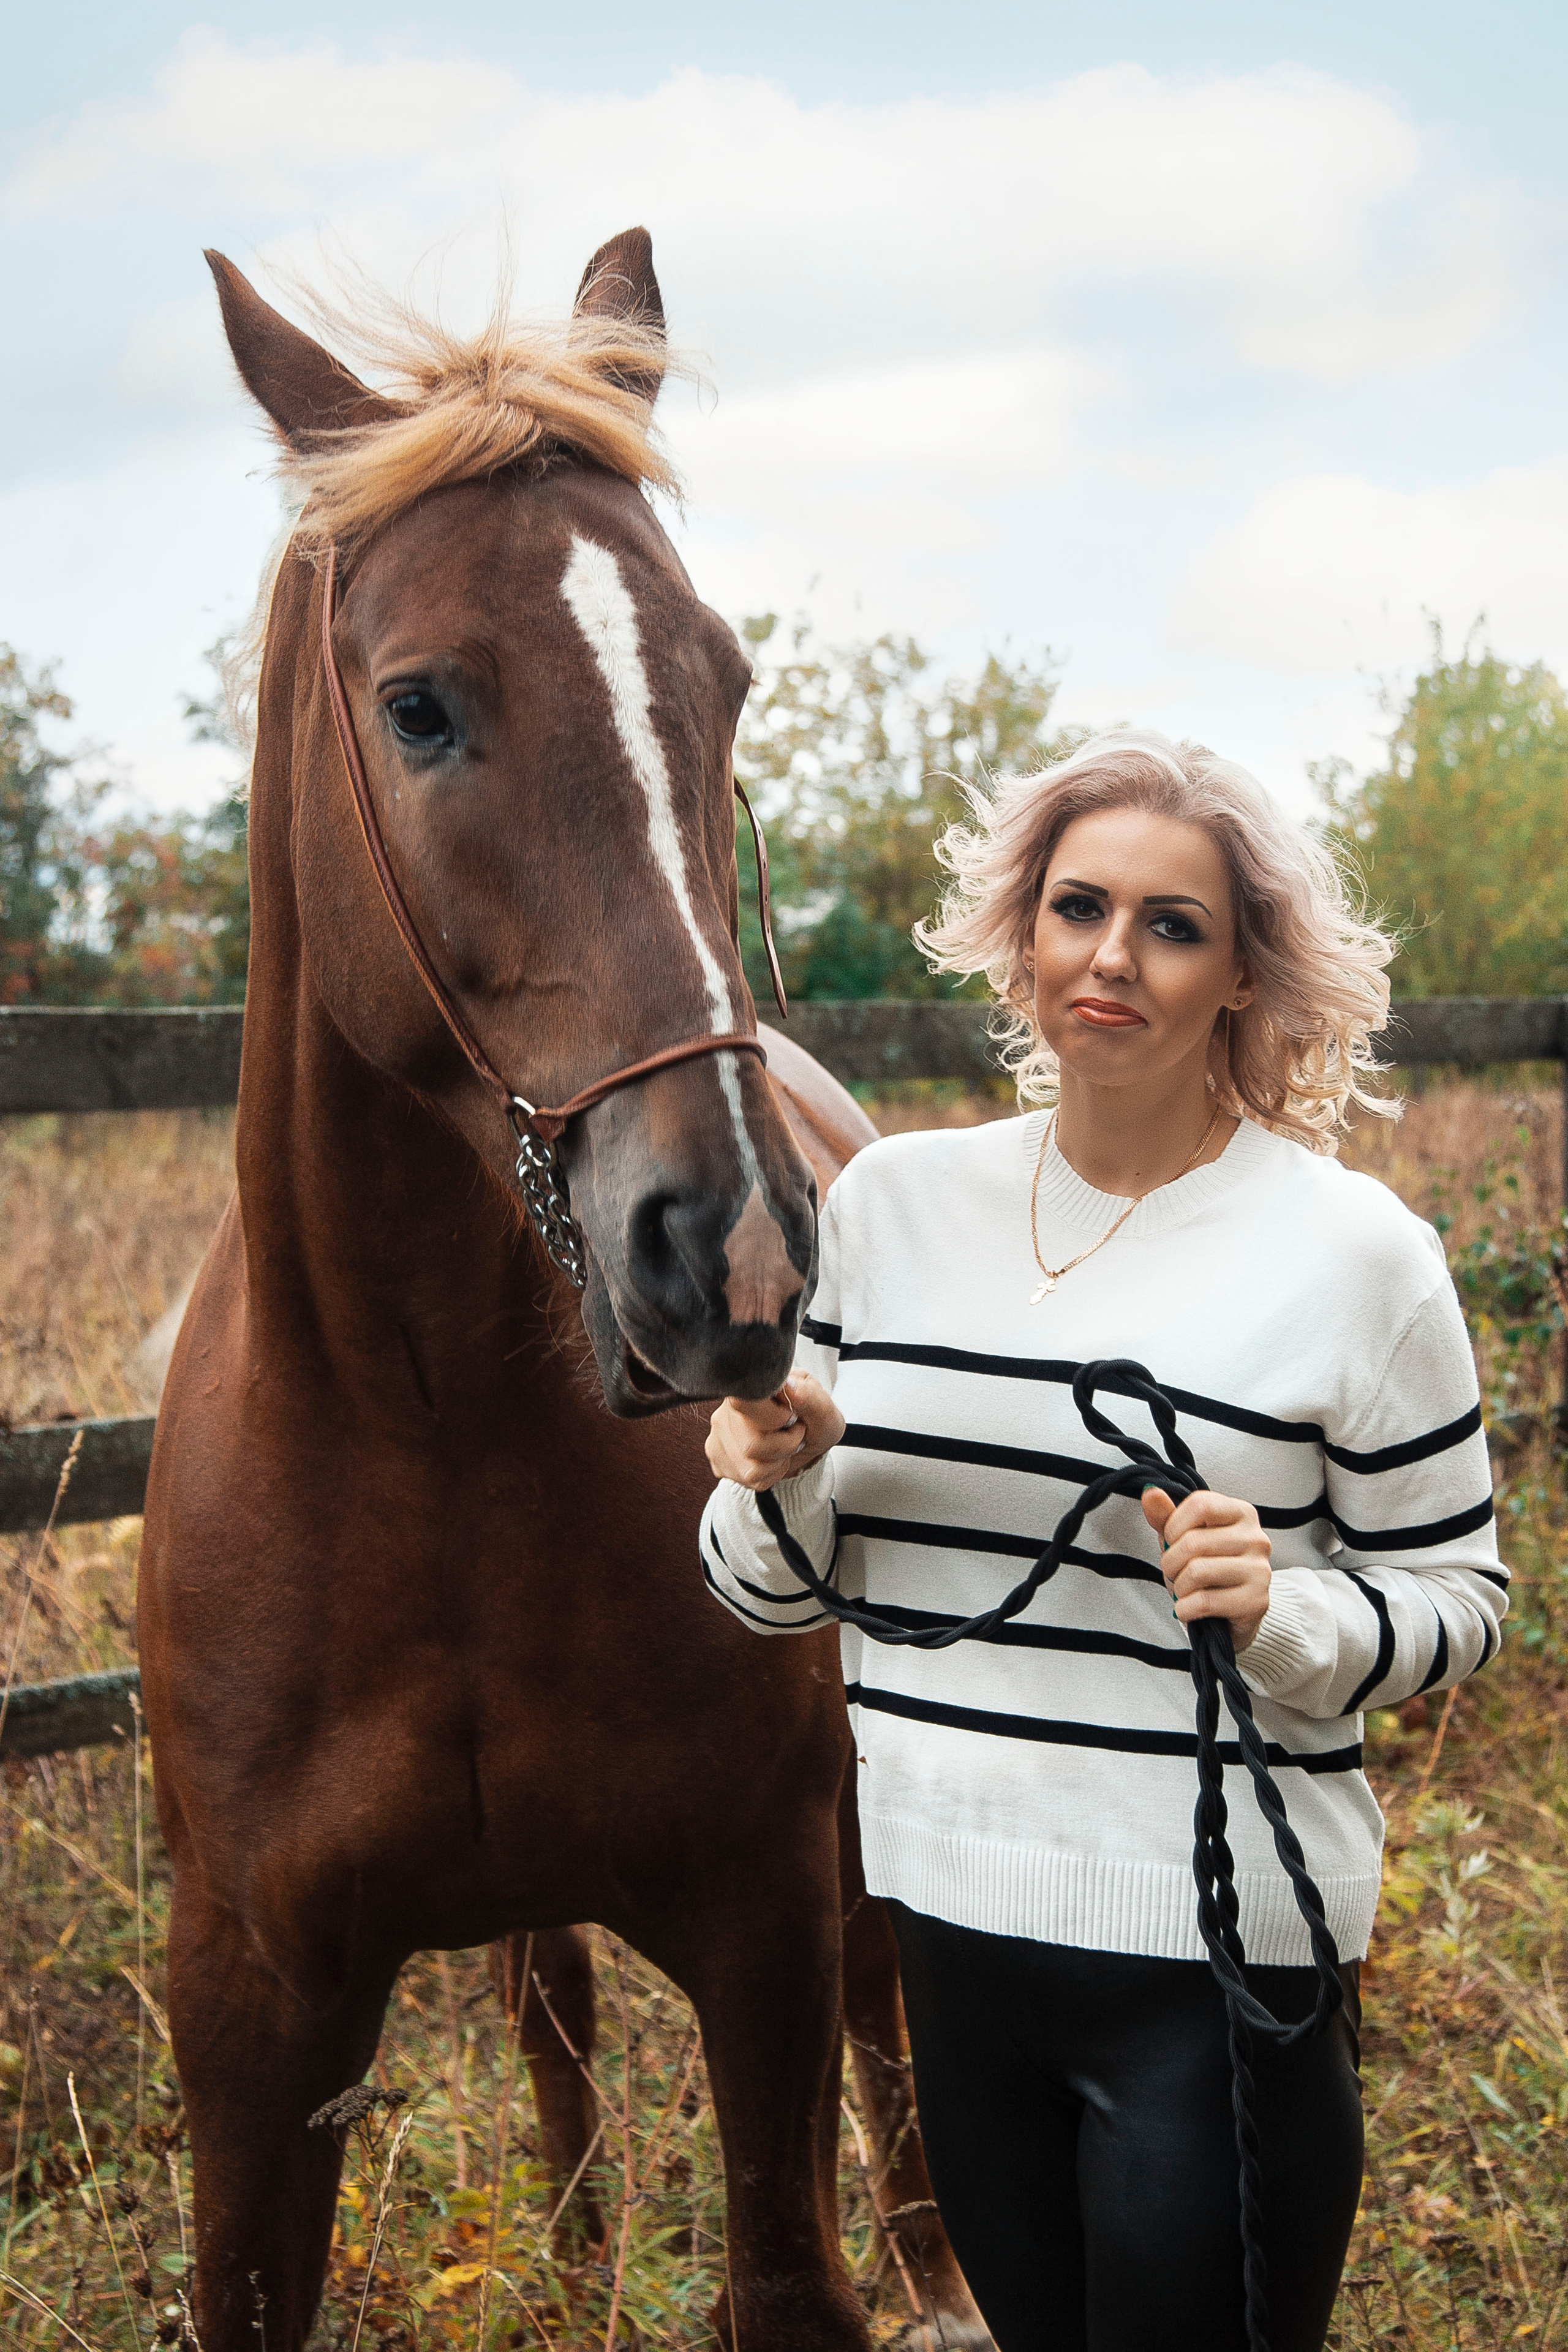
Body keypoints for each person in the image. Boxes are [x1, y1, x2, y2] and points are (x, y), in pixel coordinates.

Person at [701, 731, 1507, 2352]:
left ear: (1244, 972)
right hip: (947, 1925)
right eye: (1080, 907)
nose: (1114, 956)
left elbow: (1464, 1599)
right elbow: (772, 1599)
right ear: (1024, 931)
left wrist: (1286, 1617)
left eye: (1173, 924)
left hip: (1213, 1969)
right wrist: (764, 1475)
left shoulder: (1355, 1253)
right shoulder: (889, 1209)